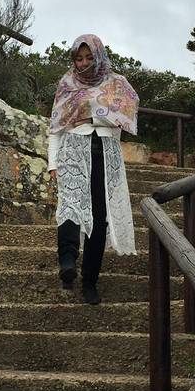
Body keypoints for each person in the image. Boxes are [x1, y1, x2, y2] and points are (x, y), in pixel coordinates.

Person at [48, 34, 139, 305]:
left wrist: (93, 116)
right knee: (70, 206)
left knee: (99, 217)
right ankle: (67, 261)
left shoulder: (117, 83)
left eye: (89, 57)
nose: (84, 63)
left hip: (105, 152)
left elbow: (125, 115)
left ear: (99, 56)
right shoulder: (67, 84)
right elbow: (56, 126)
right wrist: (53, 163)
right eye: (79, 58)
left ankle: (90, 280)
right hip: (73, 149)